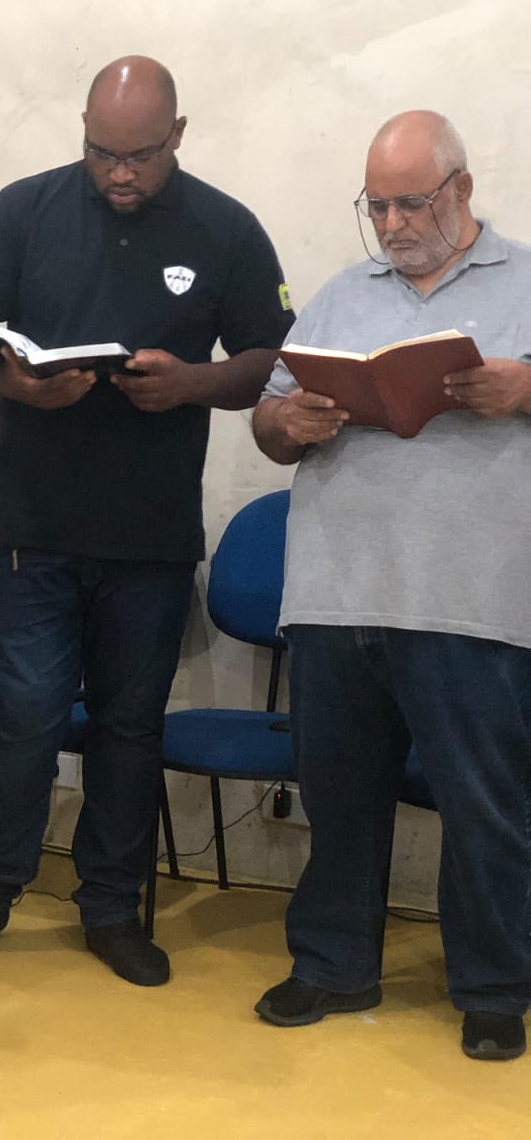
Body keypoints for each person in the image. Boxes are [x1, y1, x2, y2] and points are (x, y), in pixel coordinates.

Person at [0, 55, 294, 986]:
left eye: (140, 156)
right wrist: (19, 385)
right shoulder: (24, 209)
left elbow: (271, 359)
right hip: (28, 527)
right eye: (101, 152)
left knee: (129, 726)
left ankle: (113, 908)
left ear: (177, 136)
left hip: (150, 534)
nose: (120, 173)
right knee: (26, 715)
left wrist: (192, 383)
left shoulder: (226, 227)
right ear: (83, 133)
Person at [251, 110, 531, 1062]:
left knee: (485, 805)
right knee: (338, 796)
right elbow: (267, 422)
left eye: (412, 203)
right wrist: (291, 421)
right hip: (336, 594)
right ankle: (333, 965)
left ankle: (493, 987)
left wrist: (523, 388)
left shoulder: (524, 280)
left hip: (472, 599)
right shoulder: (340, 295)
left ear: (462, 188)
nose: (393, 224)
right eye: (376, 206)